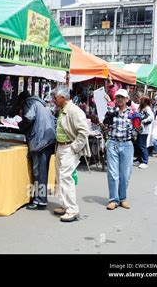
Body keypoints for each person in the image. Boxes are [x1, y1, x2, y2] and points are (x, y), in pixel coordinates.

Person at [52, 86, 90, 222]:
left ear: (62, 97)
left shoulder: (74, 111)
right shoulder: (63, 110)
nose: (53, 100)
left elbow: (84, 132)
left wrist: (74, 148)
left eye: (55, 97)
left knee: (65, 177)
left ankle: (72, 209)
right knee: (60, 176)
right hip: (61, 147)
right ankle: (64, 205)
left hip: (69, 147)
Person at [16, 90, 56, 211]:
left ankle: (40, 200)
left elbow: (29, 118)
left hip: (40, 141)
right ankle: (41, 199)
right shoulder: (41, 104)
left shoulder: (30, 103)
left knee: (39, 172)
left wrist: (20, 126)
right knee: (43, 172)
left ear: (23, 100)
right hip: (48, 140)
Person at [102, 89, 134, 210]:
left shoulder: (132, 113)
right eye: (118, 97)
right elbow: (105, 128)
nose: (120, 99)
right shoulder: (111, 111)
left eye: (122, 97)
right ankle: (113, 200)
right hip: (113, 143)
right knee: (113, 173)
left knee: (125, 173)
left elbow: (139, 130)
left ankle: (123, 198)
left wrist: (138, 125)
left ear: (127, 99)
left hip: (127, 144)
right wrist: (103, 126)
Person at [135, 96, 154, 169]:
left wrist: (143, 121)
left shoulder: (147, 108)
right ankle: (139, 159)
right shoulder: (141, 108)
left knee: (142, 146)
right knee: (138, 145)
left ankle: (144, 161)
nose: (140, 101)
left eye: (141, 100)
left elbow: (151, 117)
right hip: (140, 129)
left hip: (144, 130)